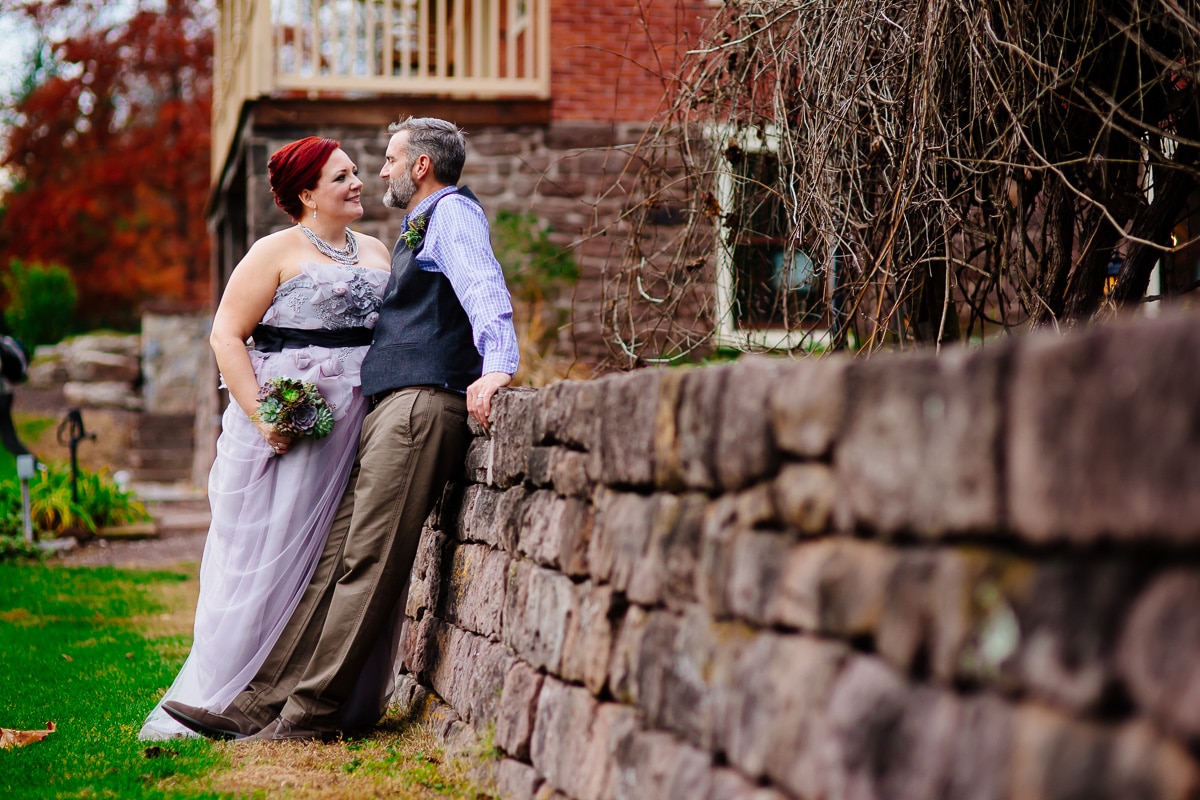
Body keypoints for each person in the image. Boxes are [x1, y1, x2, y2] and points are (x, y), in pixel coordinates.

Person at [162, 116, 519, 741]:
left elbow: (484, 287)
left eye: (382, 161)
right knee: (334, 559)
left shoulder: (451, 217)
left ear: (420, 167)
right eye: (349, 171)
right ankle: (256, 701)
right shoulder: (415, 226)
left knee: (364, 562)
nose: (372, 174)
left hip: (419, 404)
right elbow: (229, 331)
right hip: (386, 409)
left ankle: (311, 712)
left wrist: (499, 366)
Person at [139, 137, 394, 739]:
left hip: (364, 416)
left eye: (357, 172)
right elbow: (227, 335)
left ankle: (328, 693)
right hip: (296, 419)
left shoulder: (379, 250)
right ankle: (235, 693)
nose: (358, 182)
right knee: (276, 554)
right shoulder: (272, 252)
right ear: (306, 194)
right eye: (342, 177)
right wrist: (263, 416)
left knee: (344, 552)